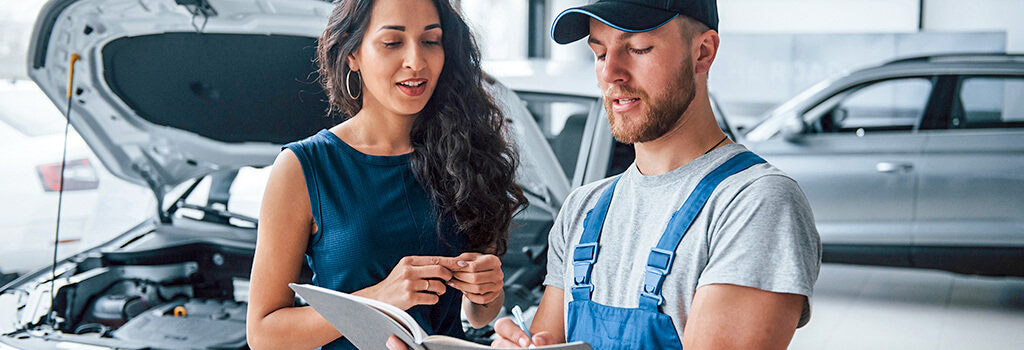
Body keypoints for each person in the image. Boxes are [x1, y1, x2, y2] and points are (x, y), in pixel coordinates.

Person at [491, 0, 821, 349]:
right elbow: (549, 339)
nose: (610, 72)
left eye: (637, 48)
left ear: (703, 53)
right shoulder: (583, 209)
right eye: (600, 53)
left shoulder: (754, 203)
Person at [245, 0, 527, 349]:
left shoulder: (467, 155)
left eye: (431, 41)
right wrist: (380, 298)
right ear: (352, 53)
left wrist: (487, 292)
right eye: (393, 43)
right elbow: (263, 333)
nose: (416, 61)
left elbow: (478, 315)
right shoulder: (304, 167)